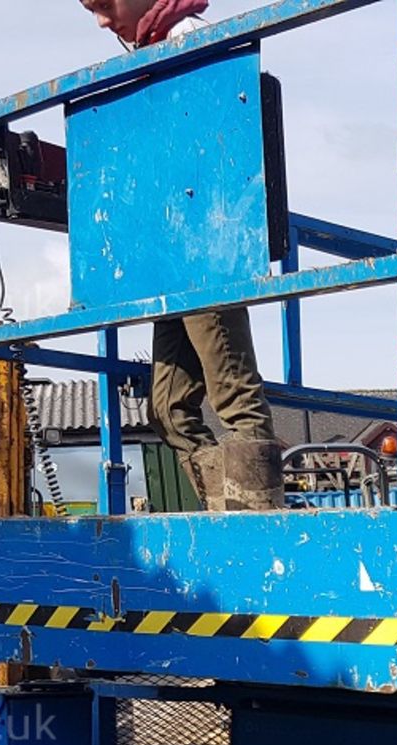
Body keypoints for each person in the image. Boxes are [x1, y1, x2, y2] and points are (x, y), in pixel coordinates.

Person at [77, 0, 283, 512]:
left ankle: (257, 518)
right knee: (167, 410)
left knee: (233, 394)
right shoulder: (147, 55)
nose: (102, 21)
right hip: (169, 259)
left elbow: (219, 147)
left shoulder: (195, 40)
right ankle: (223, 503)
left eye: (104, 4)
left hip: (207, 253)